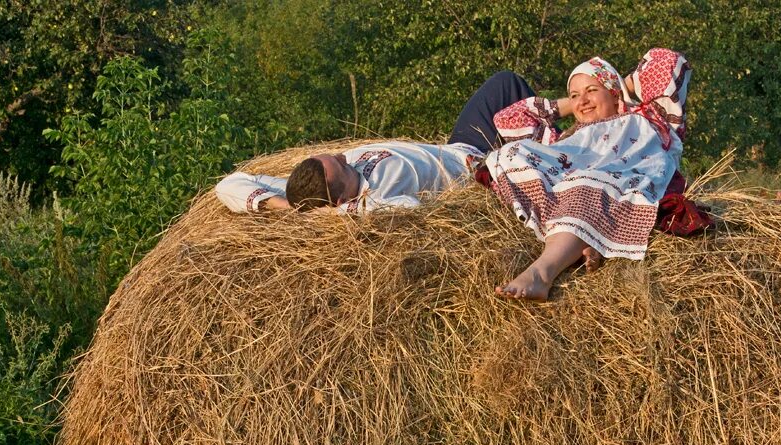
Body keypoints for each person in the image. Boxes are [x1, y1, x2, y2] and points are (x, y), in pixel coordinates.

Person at [483, 49, 694, 300]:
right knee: (511, 152)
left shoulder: (648, 117)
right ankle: (588, 244)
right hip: (569, 181)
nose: (582, 100)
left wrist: (620, 85)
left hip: (620, 179)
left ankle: (541, 273)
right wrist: (573, 103)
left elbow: (668, 62)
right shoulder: (563, 137)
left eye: (592, 90)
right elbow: (507, 118)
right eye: (575, 95)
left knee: (587, 185)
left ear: (614, 94)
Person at [214, 71, 538, 214]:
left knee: (505, 82)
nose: (342, 156)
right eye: (340, 165)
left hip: (458, 146)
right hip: (478, 168)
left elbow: (230, 185)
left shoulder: (303, 190)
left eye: (331, 156)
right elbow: (410, 207)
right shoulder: (372, 203)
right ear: (341, 201)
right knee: (536, 155)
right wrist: (331, 216)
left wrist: (286, 206)